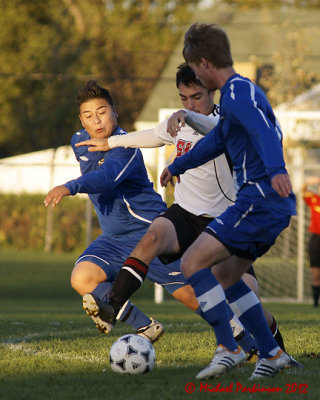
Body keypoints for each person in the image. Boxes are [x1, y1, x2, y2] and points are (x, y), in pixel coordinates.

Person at [78, 58, 299, 377]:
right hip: (185, 215)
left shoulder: (227, 119)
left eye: (196, 96)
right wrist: (111, 141)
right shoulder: (179, 121)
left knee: (243, 296)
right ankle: (113, 304)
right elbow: (154, 136)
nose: (190, 103)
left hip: (225, 220)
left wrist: (191, 116)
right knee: (152, 237)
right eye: (184, 98)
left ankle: (276, 351)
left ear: (211, 92)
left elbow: (217, 133)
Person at [44, 80, 249, 348]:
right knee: (82, 278)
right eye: (88, 115)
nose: (96, 120)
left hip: (150, 233)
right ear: (81, 120)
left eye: (102, 111)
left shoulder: (125, 148)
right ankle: (146, 326)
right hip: (114, 238)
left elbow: (105, 179)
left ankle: (247, 340)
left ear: (115, 112)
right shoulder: (79, 141)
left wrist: (69, 187)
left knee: (194, 298)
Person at [302, 176, 320, 307]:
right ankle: (315, 303)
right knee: (316, 275)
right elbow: (302, 190)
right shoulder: (314, 199)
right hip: (316, 239)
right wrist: (309, 181)